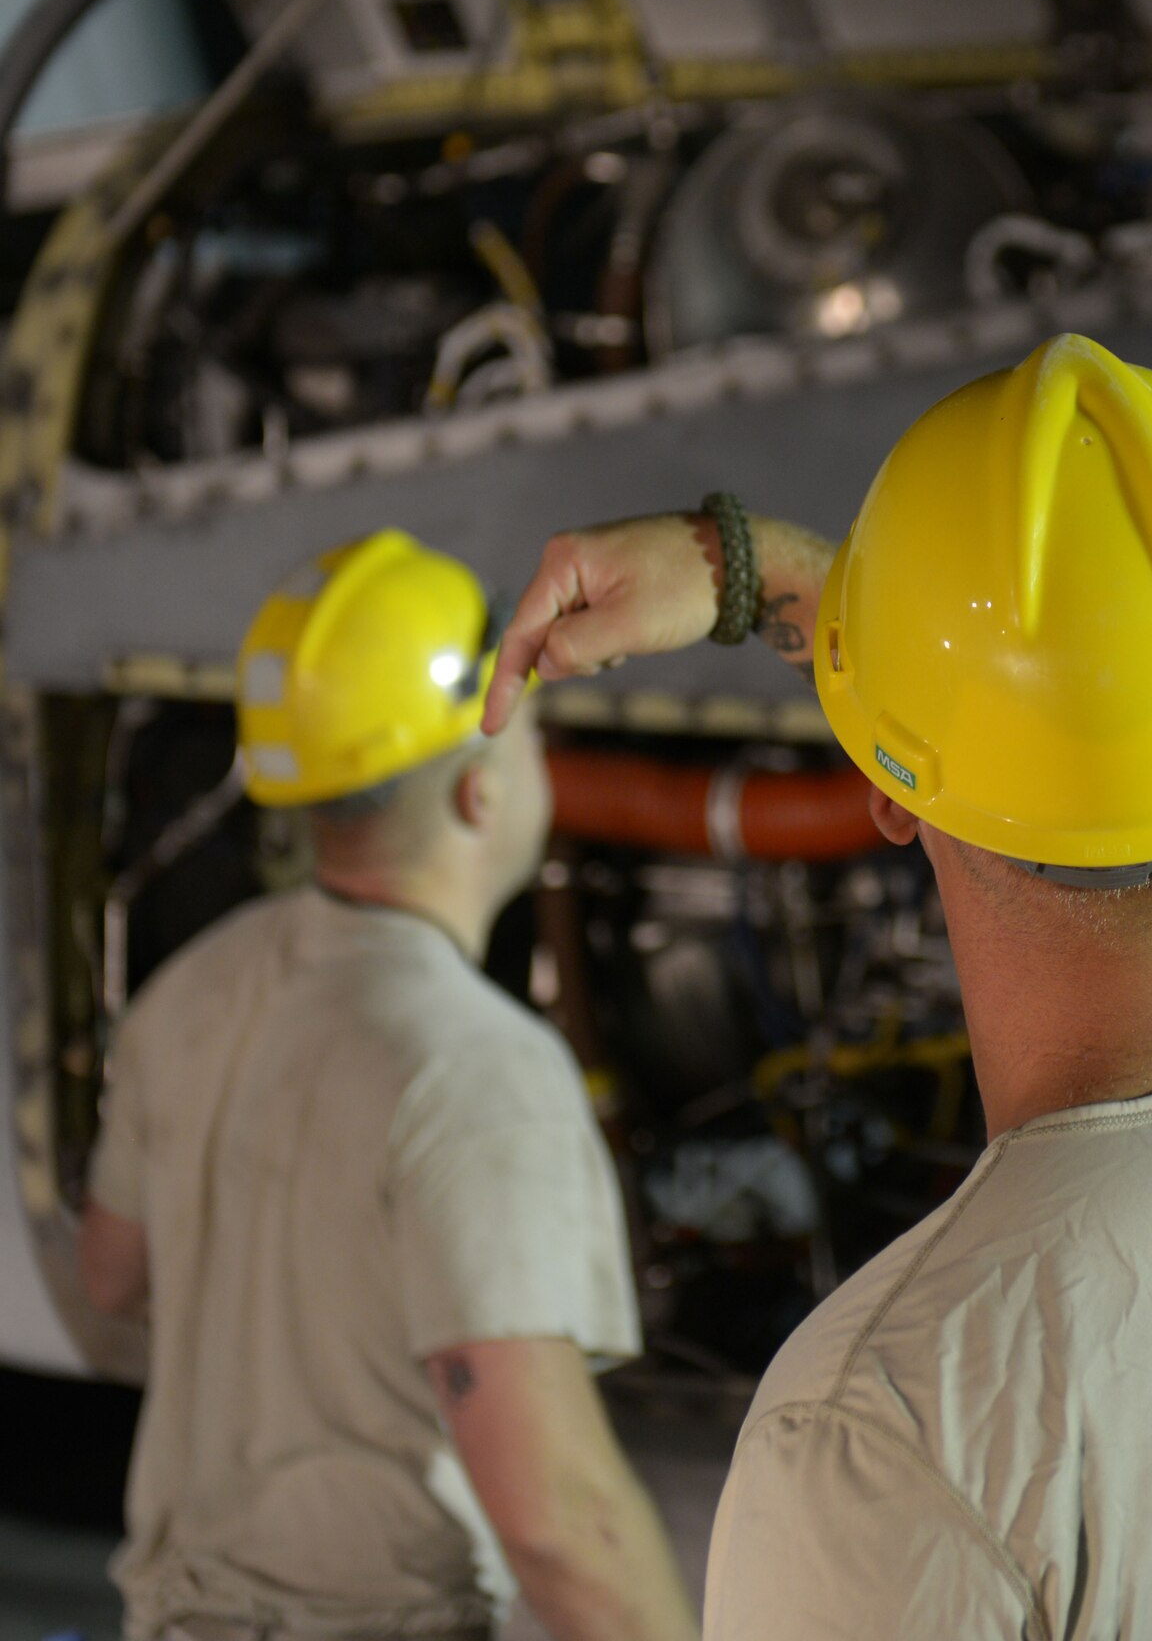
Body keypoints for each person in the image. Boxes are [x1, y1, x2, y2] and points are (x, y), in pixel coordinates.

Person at [482, 334, 1152, 1640]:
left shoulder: (892, 1430)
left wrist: (768, 576)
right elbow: (1122, 739)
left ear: (888, 795)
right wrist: (779, 580)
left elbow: (1056, 722)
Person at [79, 528, 699, 1641]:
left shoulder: (191, 989)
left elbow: (112, 1273)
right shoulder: (478, 1070)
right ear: (477, 790)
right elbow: (561, 1521)